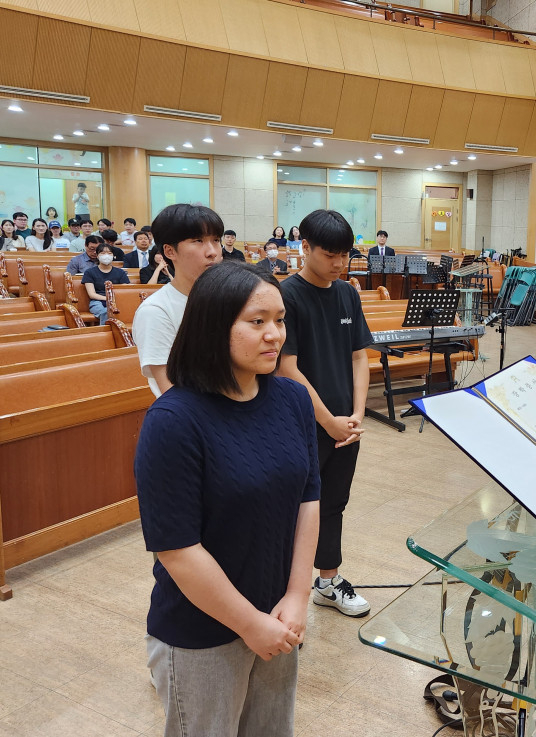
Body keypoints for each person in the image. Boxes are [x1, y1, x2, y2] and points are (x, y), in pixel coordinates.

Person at [134, 262, 319, 737]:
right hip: (202, 631)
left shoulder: (293, 400)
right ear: (214, 326)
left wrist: (297, 596)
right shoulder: (173, 420)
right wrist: (250, 624)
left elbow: (308, 498)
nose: (274, 334)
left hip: (278, 616)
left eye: (279, 320)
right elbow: (177, 548)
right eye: (257, 322)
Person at [278, 209, 372, 617]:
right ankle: (283, 593)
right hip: (301, 424)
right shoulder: (286, 295)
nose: (339, 263)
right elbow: (287, 367)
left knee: (334, 503)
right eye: (330, 254)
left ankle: (328, 582)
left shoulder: (347, 294)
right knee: (294, 508)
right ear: (305, 247)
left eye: (345, 255)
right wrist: (327, 420)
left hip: (345, 425)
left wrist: (356, 413)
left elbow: (359, 357)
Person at [133, 204, 223, 397]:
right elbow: (172, 393)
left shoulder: (228, 299)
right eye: (198, 241)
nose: (212, 252)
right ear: (169, 251)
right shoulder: (156, 311)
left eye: (216, 240)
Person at [82, 243, 131, 325]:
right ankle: (106, 332)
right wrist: (108, 299)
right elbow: (92, 294)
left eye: (109, 253)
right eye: (103, 253)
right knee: (106, 312)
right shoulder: (89, 272)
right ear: (97, 255)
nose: (106, 256)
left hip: (116, 301)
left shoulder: (120, 272)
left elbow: (125, 290)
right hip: (97, 302)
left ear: (113, 256)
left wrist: (114, 300)